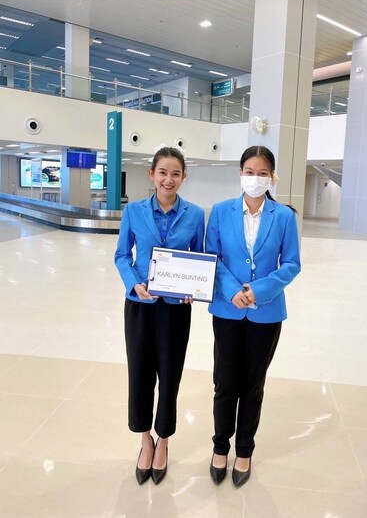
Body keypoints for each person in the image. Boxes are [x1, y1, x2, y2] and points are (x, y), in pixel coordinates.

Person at [205, 145, 301, 487]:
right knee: (224, 383)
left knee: (253, 385)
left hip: (266, 313)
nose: (255, 178)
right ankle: (220, 447)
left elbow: (291, 264)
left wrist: (257, 291)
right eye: (249, 171)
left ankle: (244, 450)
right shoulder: (220, 211)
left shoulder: (285, 217)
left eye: (262, 173)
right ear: (240, 173)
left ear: (272, 176)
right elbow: (212, 256)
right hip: (228, 310)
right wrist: (232, 289)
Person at [114, 146, 205, 486]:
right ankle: (144, 440)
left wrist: (192, 288)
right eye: (163, 172)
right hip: (140, 304)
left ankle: (164, 439)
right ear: (151, 174)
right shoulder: (134, 211)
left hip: (175, 310)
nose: (169, 179)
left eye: (176, 173)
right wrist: (133, 284)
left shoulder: (195, 215)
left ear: (183, 178)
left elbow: (200, 258)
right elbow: (122, 255)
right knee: (139, 374)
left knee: (170, 376)